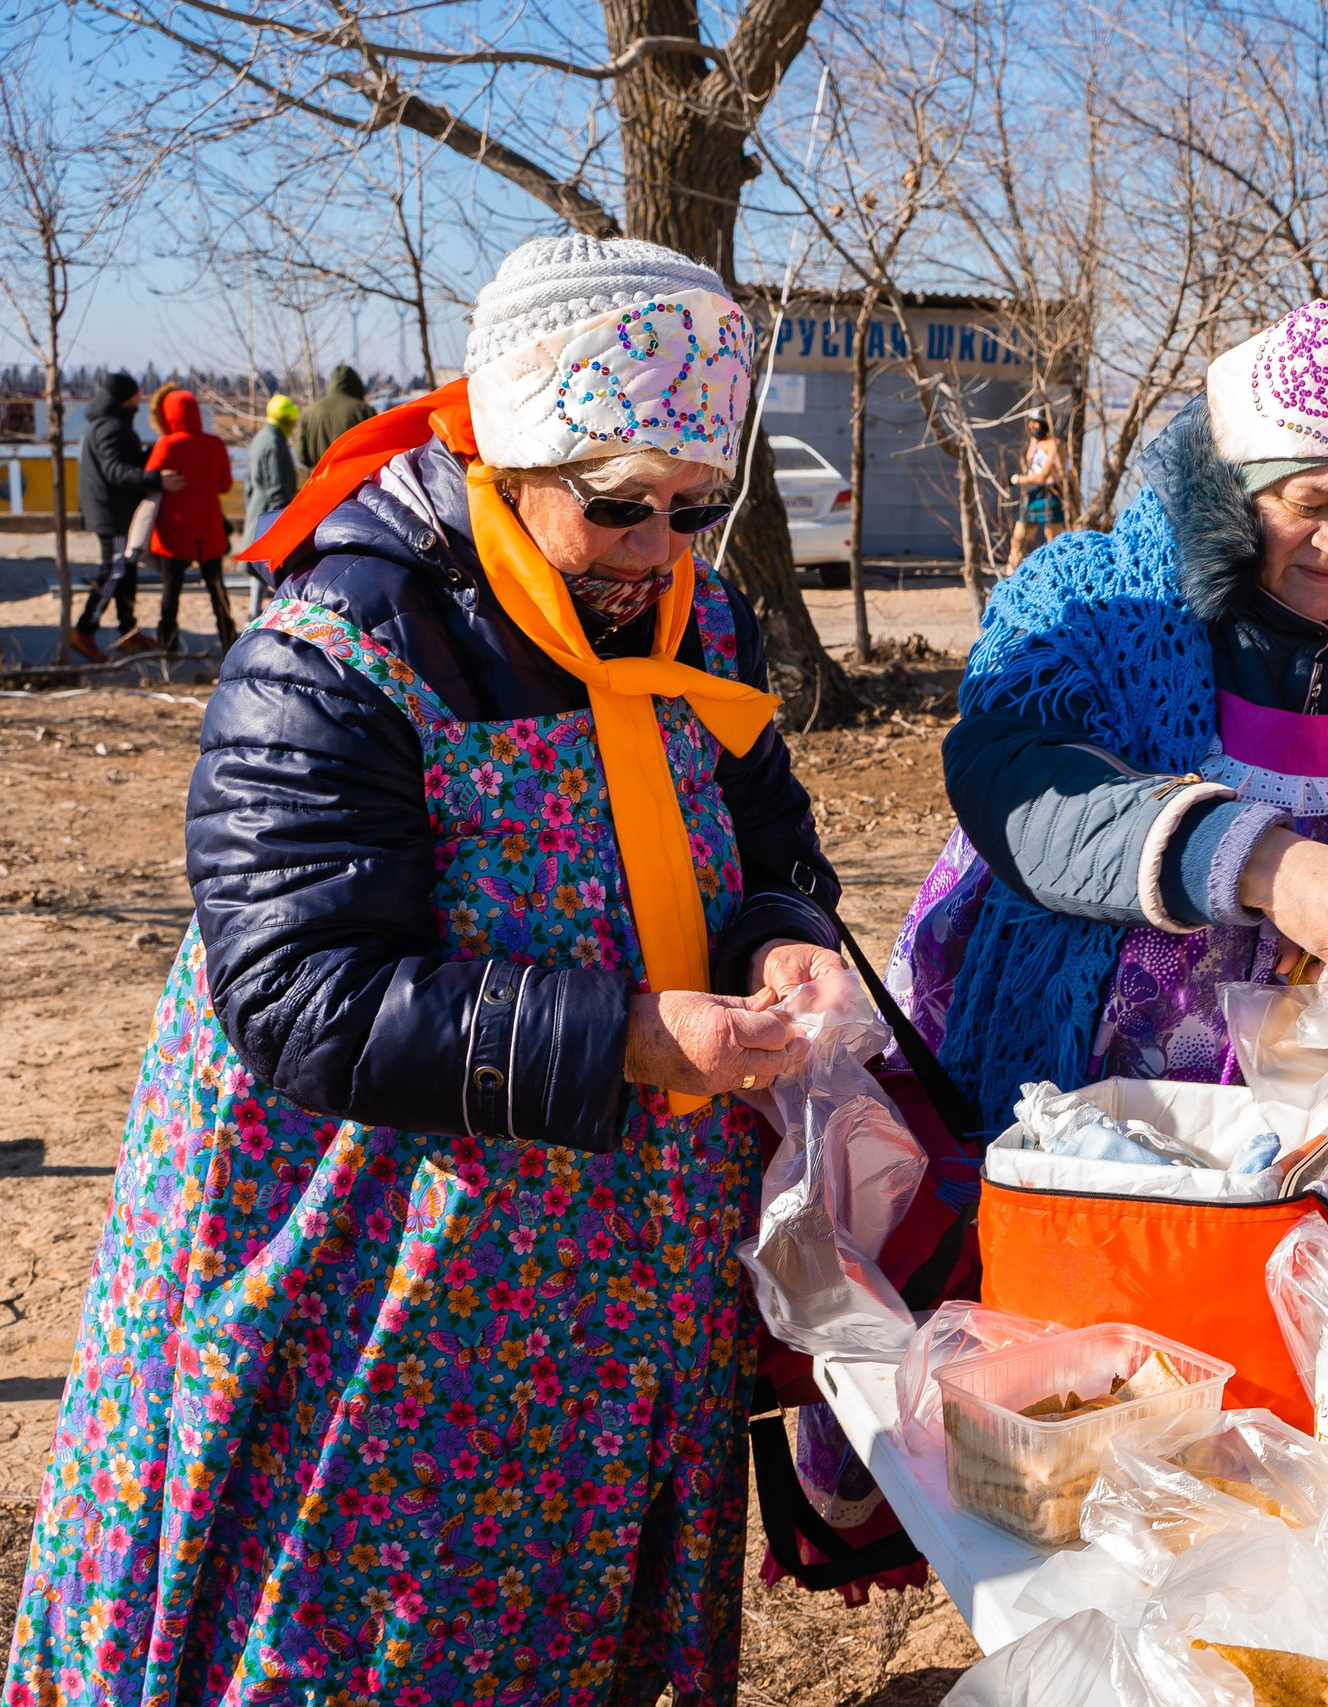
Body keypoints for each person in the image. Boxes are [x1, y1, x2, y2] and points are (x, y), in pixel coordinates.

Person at [7, 234, 843, 1707]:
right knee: (363, 1630)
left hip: (617, 1270)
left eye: (693, 505)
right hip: (380, 1270)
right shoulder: (334, 651)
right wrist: (638, 1035)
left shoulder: (700, 620)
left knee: (568, 1616)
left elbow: (769, 835)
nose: (659, 545)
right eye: (618, 504)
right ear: (515, 456)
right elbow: (302, 994)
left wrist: (781, 937)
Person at [894, 299, 1328, 1130]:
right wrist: (1267, 865)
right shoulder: (1095, 601)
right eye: (1308, 503)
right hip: (1087, 1104)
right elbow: (1014, 774)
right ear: (1236, 492)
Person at [67, 370, 177, 662]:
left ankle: (128, 630)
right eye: (134, 397)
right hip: (110, 511)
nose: (137, 402)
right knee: (115, 570)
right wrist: (156, 479)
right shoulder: (109, 428)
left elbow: (125, 461)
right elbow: (116, 471)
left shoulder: (106, 425)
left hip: (114, 508)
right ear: (123, 399)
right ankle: (84, 631)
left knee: (127, 569)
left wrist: (153, 453)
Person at [140, 384, 239, 654]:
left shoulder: (166, 445)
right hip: (208, 527)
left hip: (175, 529)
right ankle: (228, 640)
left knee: (171, 592)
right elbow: (225, 485)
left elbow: (149, 484)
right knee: (217, 589)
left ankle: (168, 646)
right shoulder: (215, 444)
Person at [240, 391, 302, 618]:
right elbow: (277, 487)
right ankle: (254, 612)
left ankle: (254, 610)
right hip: (269, 510)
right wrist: (285, 516)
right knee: (264, 563)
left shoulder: (261, 438)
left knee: (261, 562)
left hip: (258, 507)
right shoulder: (274, 444)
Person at [1004, 414, 1070, 568]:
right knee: (1017, 539)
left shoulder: (1054, 444)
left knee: (1053, 541)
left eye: (1037, 424)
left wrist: (1017, 480)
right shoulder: (1034, 443)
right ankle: (1011, 575)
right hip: (1032, 494)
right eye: (1031, 423)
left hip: (1049, 492)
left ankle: (1057, 573)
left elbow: (1043, 475)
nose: (1032, 427)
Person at [297, 361, 375, 465]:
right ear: (356, 385)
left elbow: (301, 456)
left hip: (321, 479)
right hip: (355, 479)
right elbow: (378, 452)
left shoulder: (308, 414)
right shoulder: (363, 410)